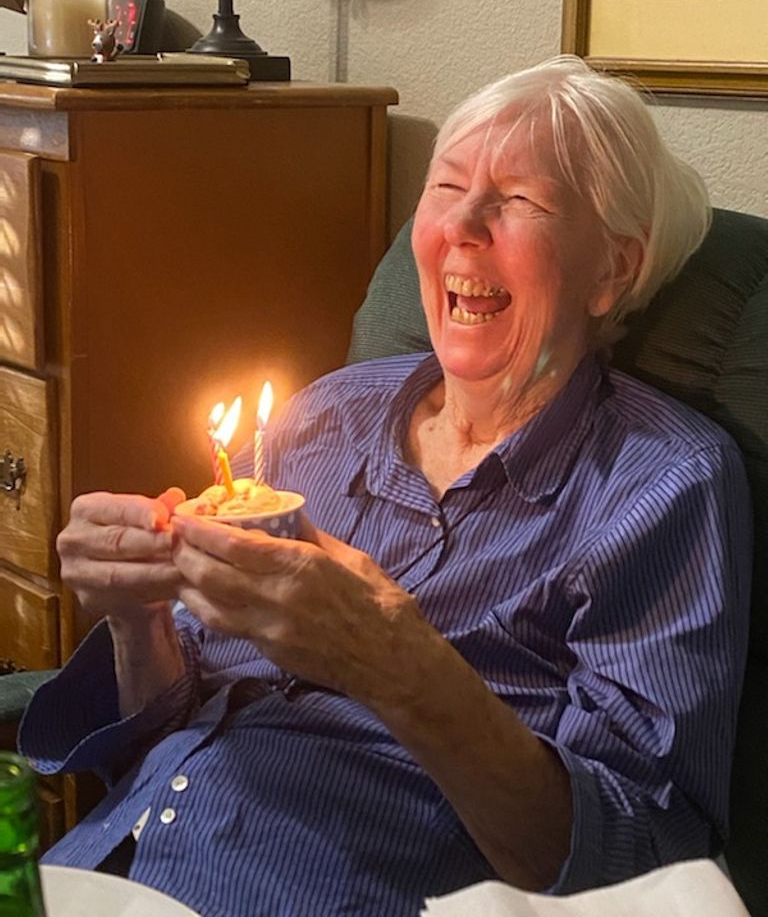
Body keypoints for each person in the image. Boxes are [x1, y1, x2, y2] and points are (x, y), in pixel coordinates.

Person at [19, 56, 751, 917]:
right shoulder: (324, 414)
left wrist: (403, 669)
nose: (462, 226)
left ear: (612, 273)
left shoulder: (660, 485)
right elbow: (148, 736)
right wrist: (138, 619)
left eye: (520, 200)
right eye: (447, 187)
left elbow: (643, 868)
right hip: (101, 868)